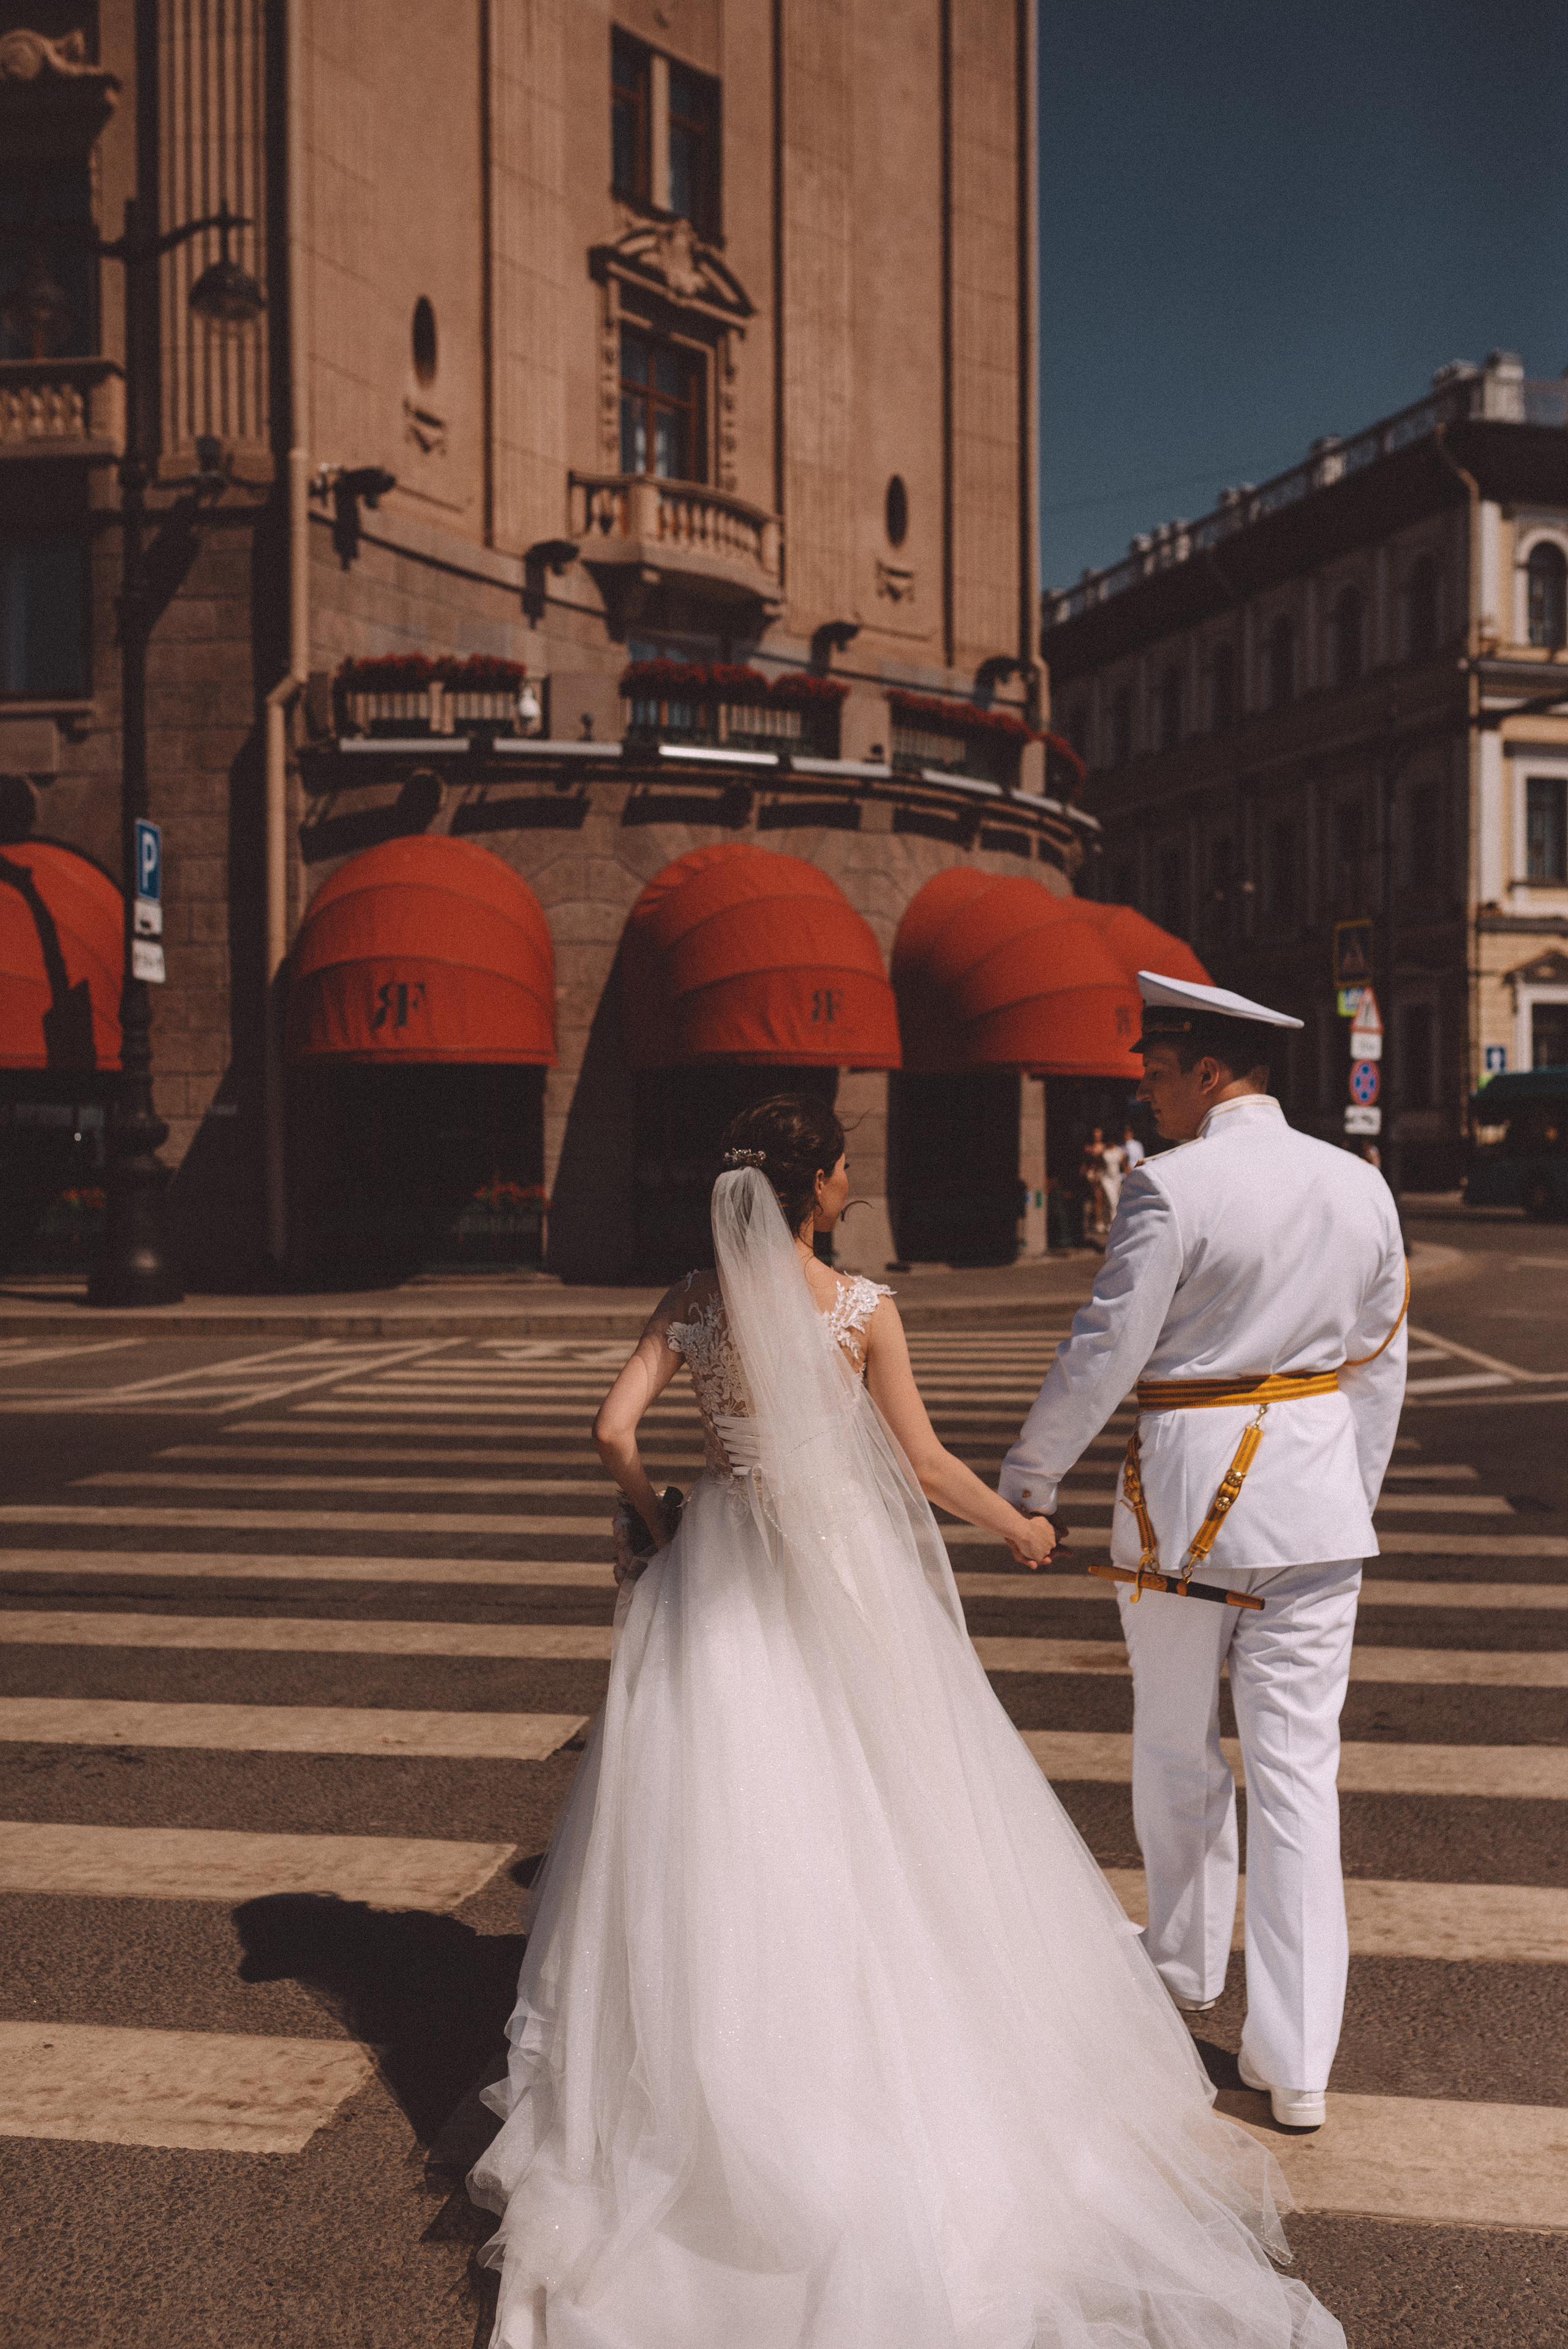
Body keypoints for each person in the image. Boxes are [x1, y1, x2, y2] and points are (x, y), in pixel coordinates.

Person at [469, 1091, 1347, 2348]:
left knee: (715, 1822)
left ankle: (710, 2077)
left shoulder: (693, 1301)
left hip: (714, 1568)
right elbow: (927, 1467)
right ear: (814, 1184)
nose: (848, 1187)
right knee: (884, 1812)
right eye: (840, 1170)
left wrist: (660, 1515)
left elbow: (611, 1429)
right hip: (835, 1577)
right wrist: (1023, 1527)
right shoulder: (859, 1311)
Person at [1001, 973, 1407, 2135]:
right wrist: (1345, 1493)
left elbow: (1105, 1347)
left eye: (1157, 1075)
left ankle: (1183, 1963)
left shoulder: (1169, 1187)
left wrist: (1031, 1475)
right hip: (1316, 1512)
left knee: (1179, 1744)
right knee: (1298, 1777)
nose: (1146, 1096)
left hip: (1191, 1501)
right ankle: (1298, 2060)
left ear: (1211, 1074)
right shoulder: (1360, 1186)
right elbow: (1381, 1362)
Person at [1079, 1123, 1110, 1244]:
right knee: (1097, 1197)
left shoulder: (1104, 1147)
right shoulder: (1089, 1147)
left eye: (1099, 1134)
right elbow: (1084, 1163)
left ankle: (1100, 1220)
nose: (1097, 1136)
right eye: (1095, 1134)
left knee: (1102, 1198)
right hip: (1092, 1173)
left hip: (1102, 1173)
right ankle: (1097, 1221)